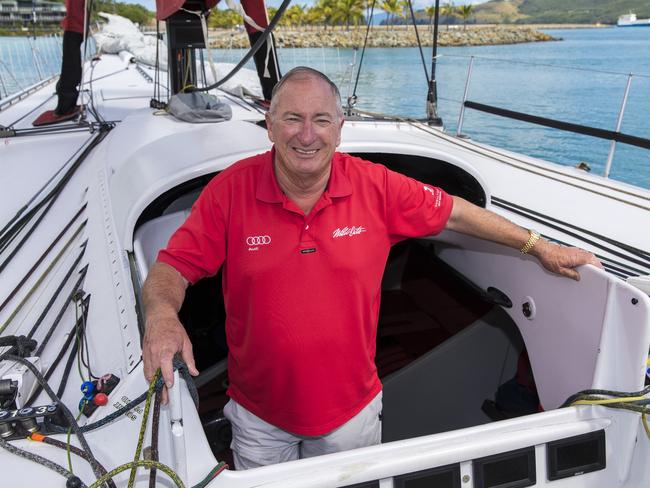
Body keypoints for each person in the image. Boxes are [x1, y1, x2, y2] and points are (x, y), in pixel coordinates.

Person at [142, 67, 601, 470]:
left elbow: (456, 212)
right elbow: (173, 267)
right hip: (259, 417)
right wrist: (162, 316)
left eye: (321, 120)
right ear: (269, 126)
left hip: (351, 418)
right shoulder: (229, 192)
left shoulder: (376, 187)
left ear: (339, 130)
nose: (307, 134)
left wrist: (538, 245)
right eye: (293, 119)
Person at [33, 0, 85, 126]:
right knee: (72, 63)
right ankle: (68, 103)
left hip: (74, 26)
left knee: (70, 65)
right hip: (77, 26)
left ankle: (65, 106)